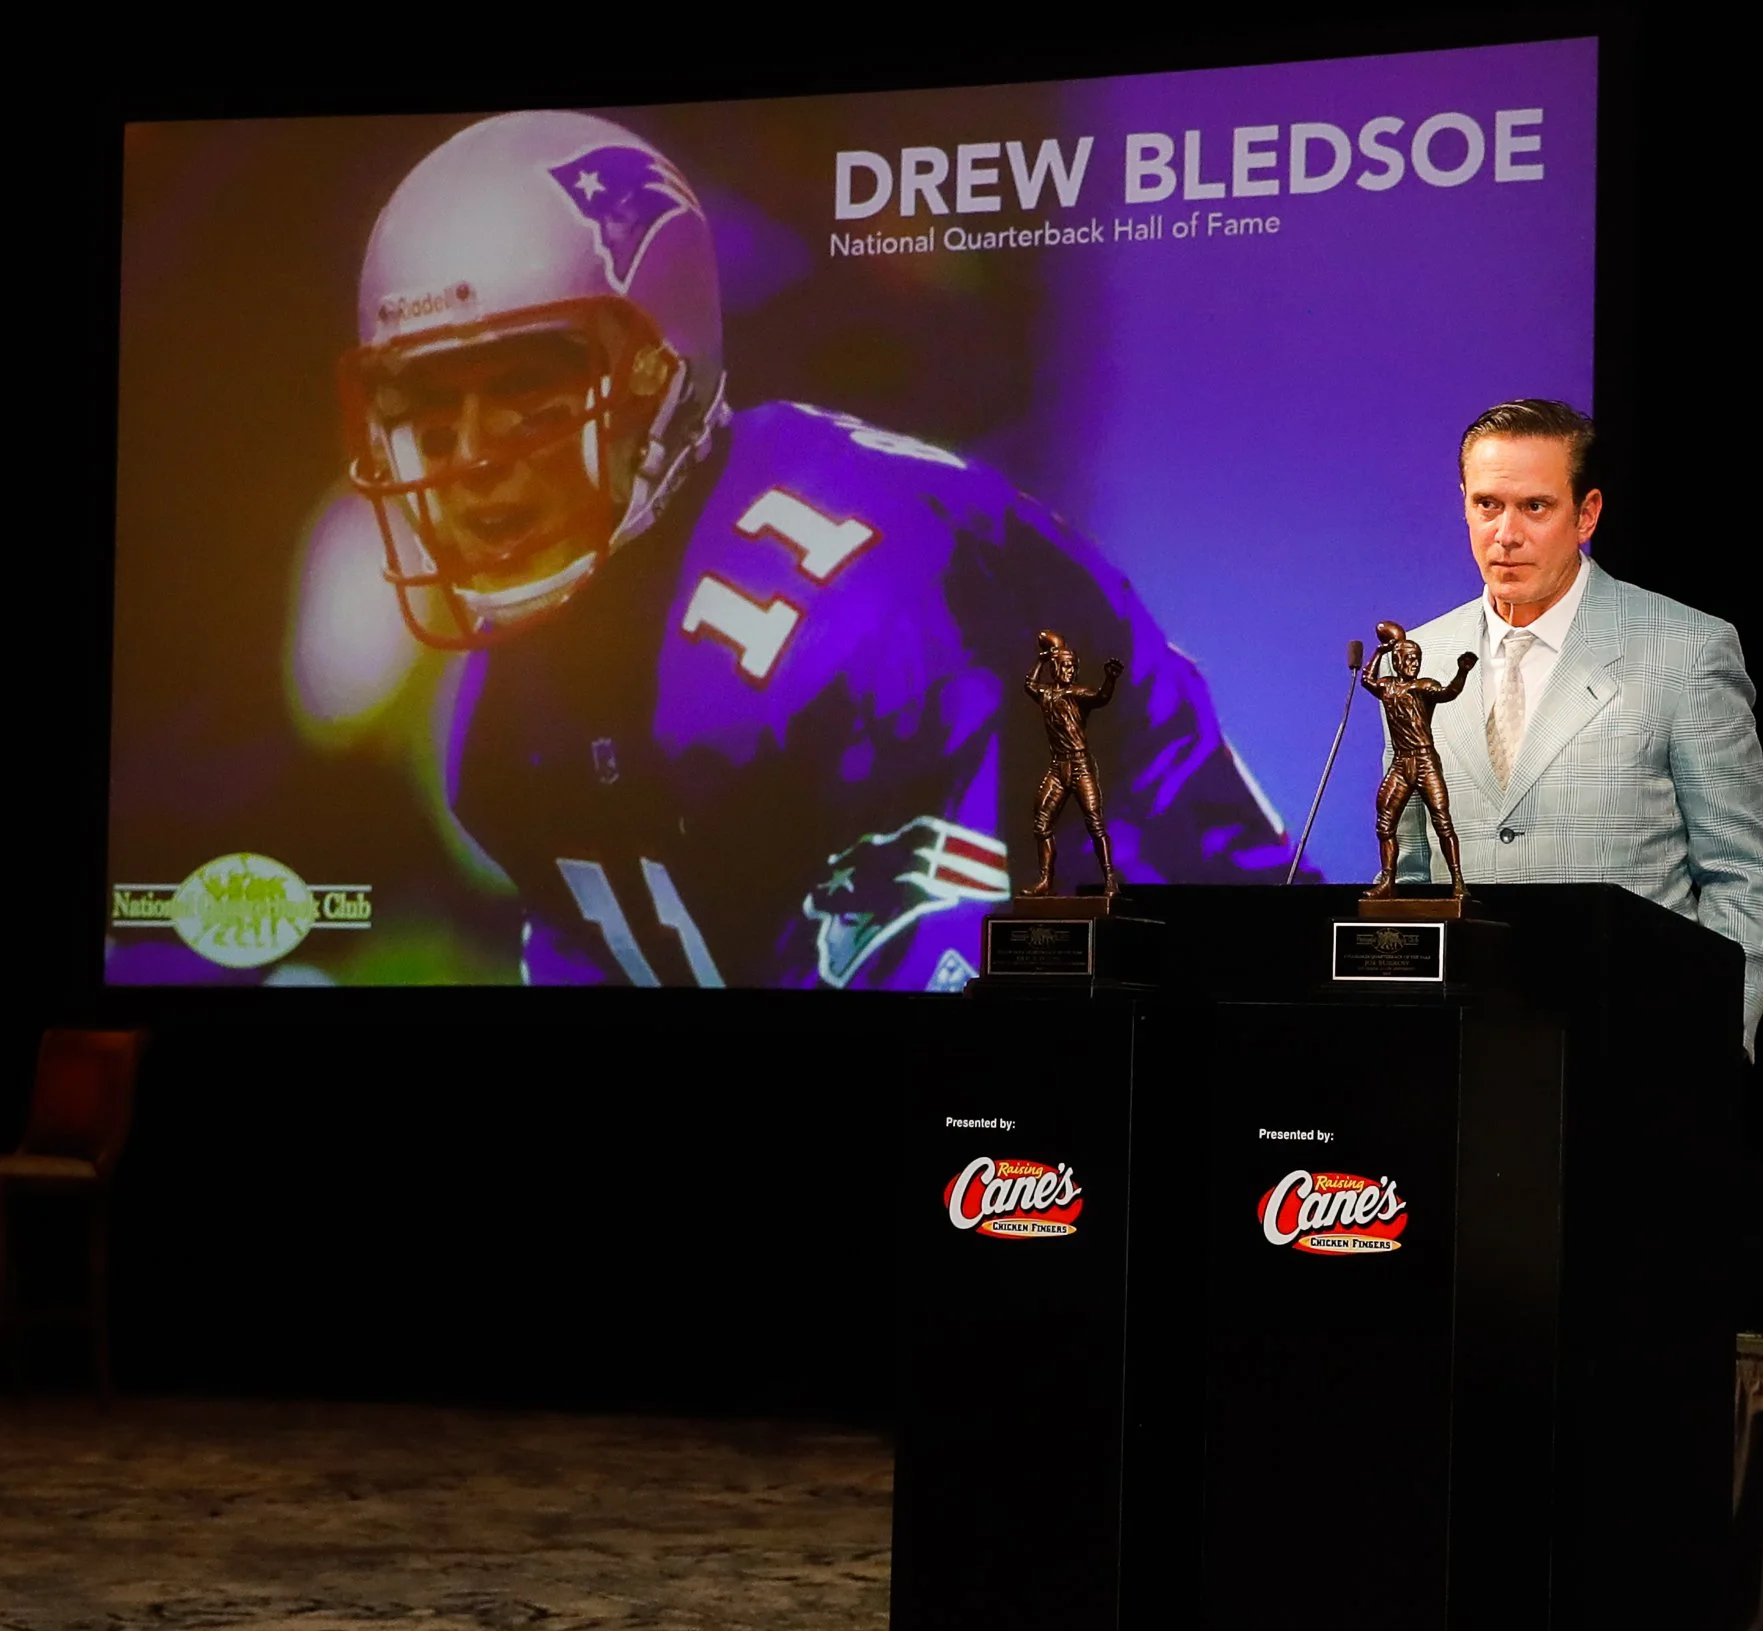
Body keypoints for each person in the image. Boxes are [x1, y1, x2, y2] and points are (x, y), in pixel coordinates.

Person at [336, 110, 1289, 990]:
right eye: (427, 403)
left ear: (656, 372)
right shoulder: (504, 729)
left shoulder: (858, 615)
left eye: (523, 388)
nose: (474, 459)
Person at [1394, 399, 1763, 1049]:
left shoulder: (1685, 651)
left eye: (1534, 507)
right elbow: (1407, 878)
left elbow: (1739, 877)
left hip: (1636, 1053)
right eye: (1487, 504)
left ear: (1588, 513)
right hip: (1462, 1059)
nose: (1506, 533)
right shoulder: (1417, 660)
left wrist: (1709, 1052)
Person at [1361, 623, 1475, 898]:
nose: (1414, 663)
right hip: (1402, 763)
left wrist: (1462, 671)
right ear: (1397, 662)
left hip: (1424, 761)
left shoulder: (1424, 687)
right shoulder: (1387, 687)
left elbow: (1449, 693)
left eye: (1417, 659)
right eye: (1409, 658)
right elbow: (1367, 679)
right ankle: (1388, 881)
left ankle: (1458, 881)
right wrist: (1380, 651)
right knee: (1385, 823)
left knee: (1441, 820)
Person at [1022, 632, 1122, 897]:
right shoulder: (1046, 693)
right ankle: (1046, 880)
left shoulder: (1077, 694)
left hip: (1080, 766)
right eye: (1064, 666)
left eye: (1072, 667)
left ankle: (1110, 878)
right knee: (1041, 824)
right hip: (1058, 767)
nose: (1068, 671)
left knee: (1095, 823)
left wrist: (1110, 679)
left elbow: (1101, 697)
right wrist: (1043, 659)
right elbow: (1029, 684)